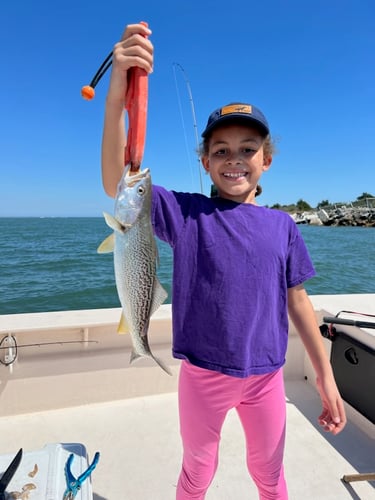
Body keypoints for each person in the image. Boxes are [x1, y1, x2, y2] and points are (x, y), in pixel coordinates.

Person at [101, 22, 346, 500]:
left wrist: (325, 375)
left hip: (266, 377)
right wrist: (118, 93)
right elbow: (119, 180)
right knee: (197, 470)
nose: (234, 159)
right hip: (202, 376)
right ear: (206, 163)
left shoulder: (284, 227)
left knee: (270, 473)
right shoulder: (187, 213)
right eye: (221, 151)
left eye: (247, 150)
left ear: (266, 161)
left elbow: (299, 304)